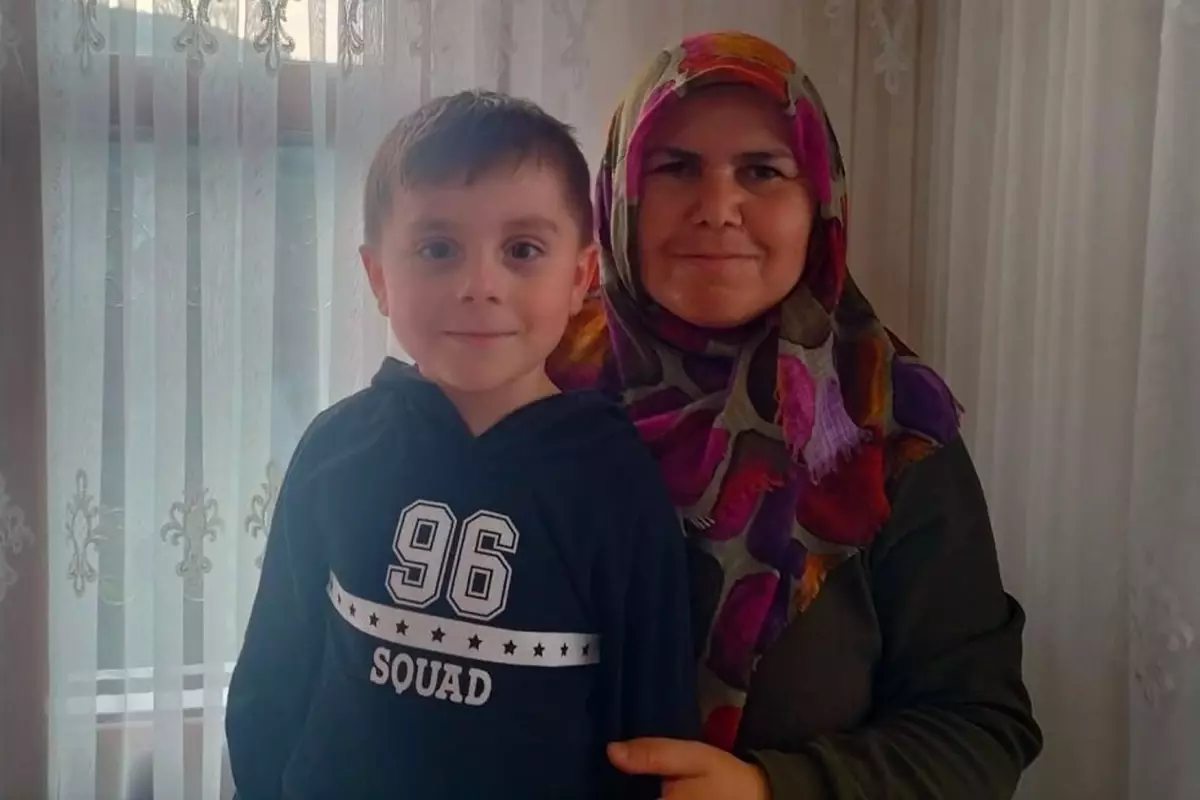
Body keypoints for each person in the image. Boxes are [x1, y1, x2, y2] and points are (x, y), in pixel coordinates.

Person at [548, 31, 1043, 799]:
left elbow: (979, 728)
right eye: (675, 167)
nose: (718, 209)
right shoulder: (528, 381)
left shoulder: (889, 425)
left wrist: (773, 790)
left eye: (762, 171)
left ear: (819, 204)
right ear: (618, 195)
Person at [225, 90, 699, 799]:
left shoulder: (617, 482)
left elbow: (651, 730)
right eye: (438, 249)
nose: (480, 286)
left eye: (523, 250)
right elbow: (272, 675)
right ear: (379, 277)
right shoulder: (335, 449)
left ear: (580, 277)